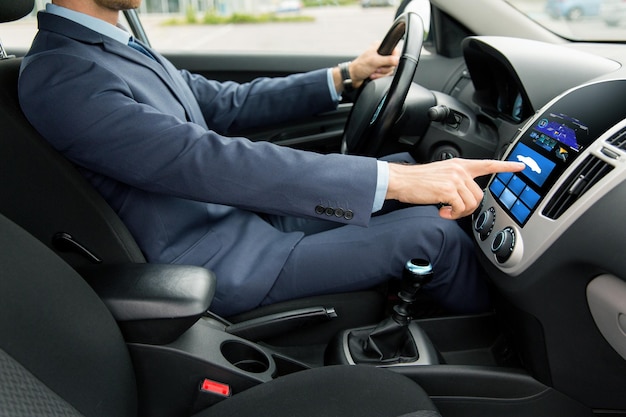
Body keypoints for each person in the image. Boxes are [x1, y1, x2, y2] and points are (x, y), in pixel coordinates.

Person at [18, 0, 525, 317]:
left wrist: (349, 75)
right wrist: (393, 181)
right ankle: (502, 351)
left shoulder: (112, 48)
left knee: (402, 165)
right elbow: (200, 160)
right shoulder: (64, 75)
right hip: (220, 260)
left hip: (238, 221)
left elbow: (224, 105)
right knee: (430, 234)